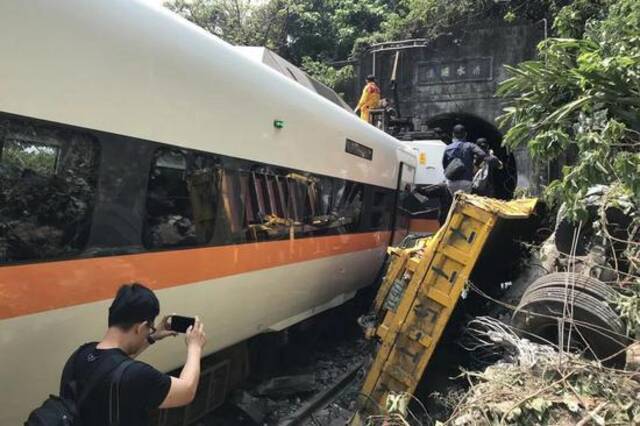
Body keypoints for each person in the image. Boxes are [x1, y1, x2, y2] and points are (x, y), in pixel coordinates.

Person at [59, 283, 207, 425]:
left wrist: (151, 337)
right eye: (149, 327)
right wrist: (195, 347)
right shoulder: (137, 375)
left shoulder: (81, 354)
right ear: (140, 327)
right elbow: (187, 391)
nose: (150, 331)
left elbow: (113, 367)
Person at [441, 124, 490, 195]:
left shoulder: (448, 148)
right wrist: (476, 165)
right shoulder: (470, 145)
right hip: (466, 180)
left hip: (451, 181)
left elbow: (444, 164)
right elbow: (482, 154)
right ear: (465, 134)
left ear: (453, 134)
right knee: (464, 203)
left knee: (455, 201)